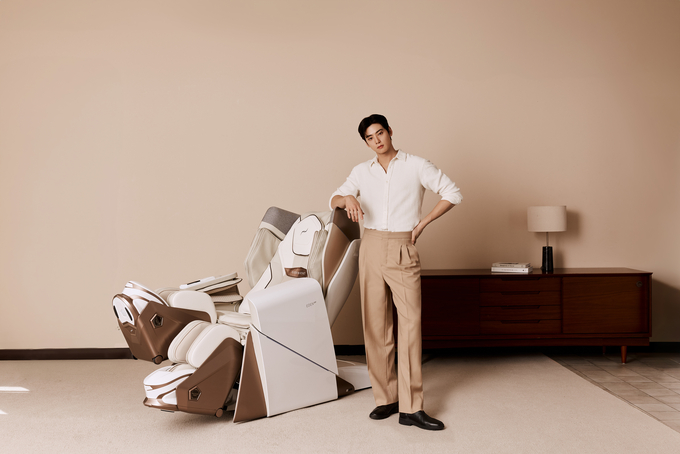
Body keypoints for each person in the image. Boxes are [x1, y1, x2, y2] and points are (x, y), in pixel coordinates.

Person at [330, 114, 462, 431]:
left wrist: (422, 223)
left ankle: (412, 407)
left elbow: (453, 193)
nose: (377, 140)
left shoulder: (416, 165)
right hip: (371, 246)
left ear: (390, 132)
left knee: (410, 324)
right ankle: (386, 398)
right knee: (376, 325)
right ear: (366, 142)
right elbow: (333, 199)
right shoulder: (361, 171)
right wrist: (347, 197)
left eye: (380, 133)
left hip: (403, 244)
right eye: (370, 137)